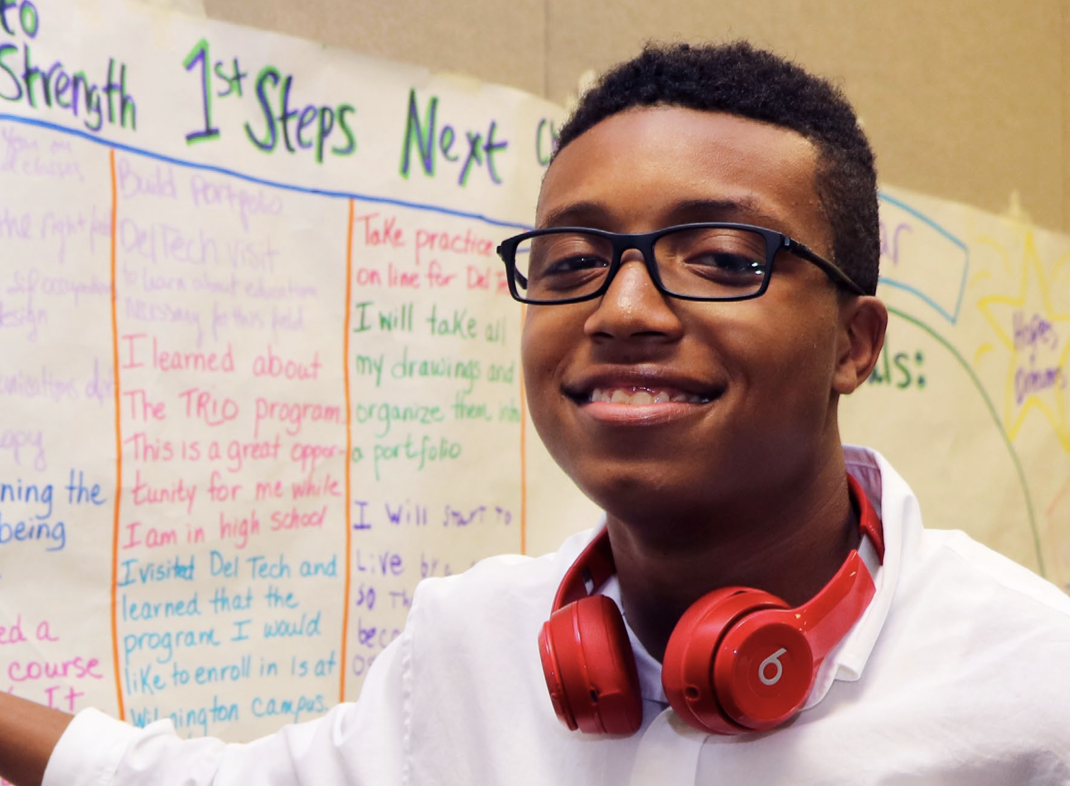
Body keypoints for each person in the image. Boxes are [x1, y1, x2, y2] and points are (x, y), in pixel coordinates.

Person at [3, 41, 1070, 786]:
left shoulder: (1031, 691)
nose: (622, 308)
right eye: (571, 261)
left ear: (852, 344)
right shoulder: (469, 643)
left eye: (718, 259)